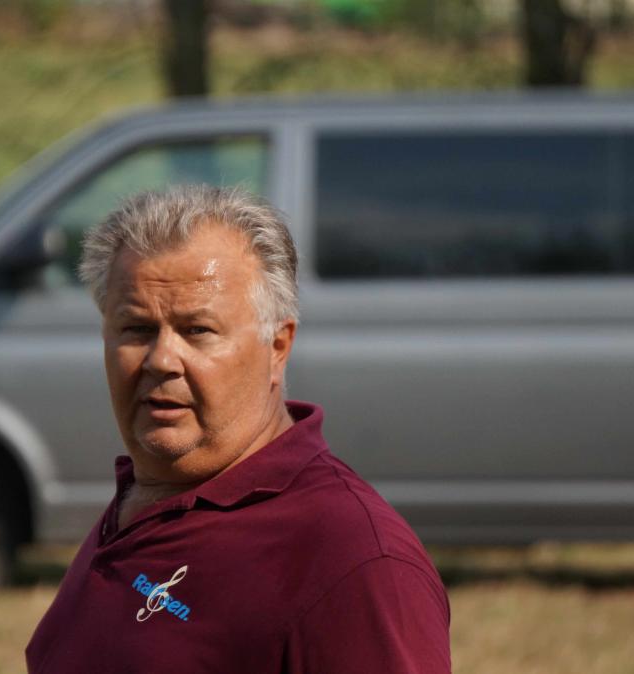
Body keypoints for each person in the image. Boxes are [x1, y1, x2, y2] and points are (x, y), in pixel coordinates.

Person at [26, 185, 450, 673]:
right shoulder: (144, 499)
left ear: (278, 347)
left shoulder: (353, 562)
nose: (162, 359)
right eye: (137, 329)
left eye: (197, 331)